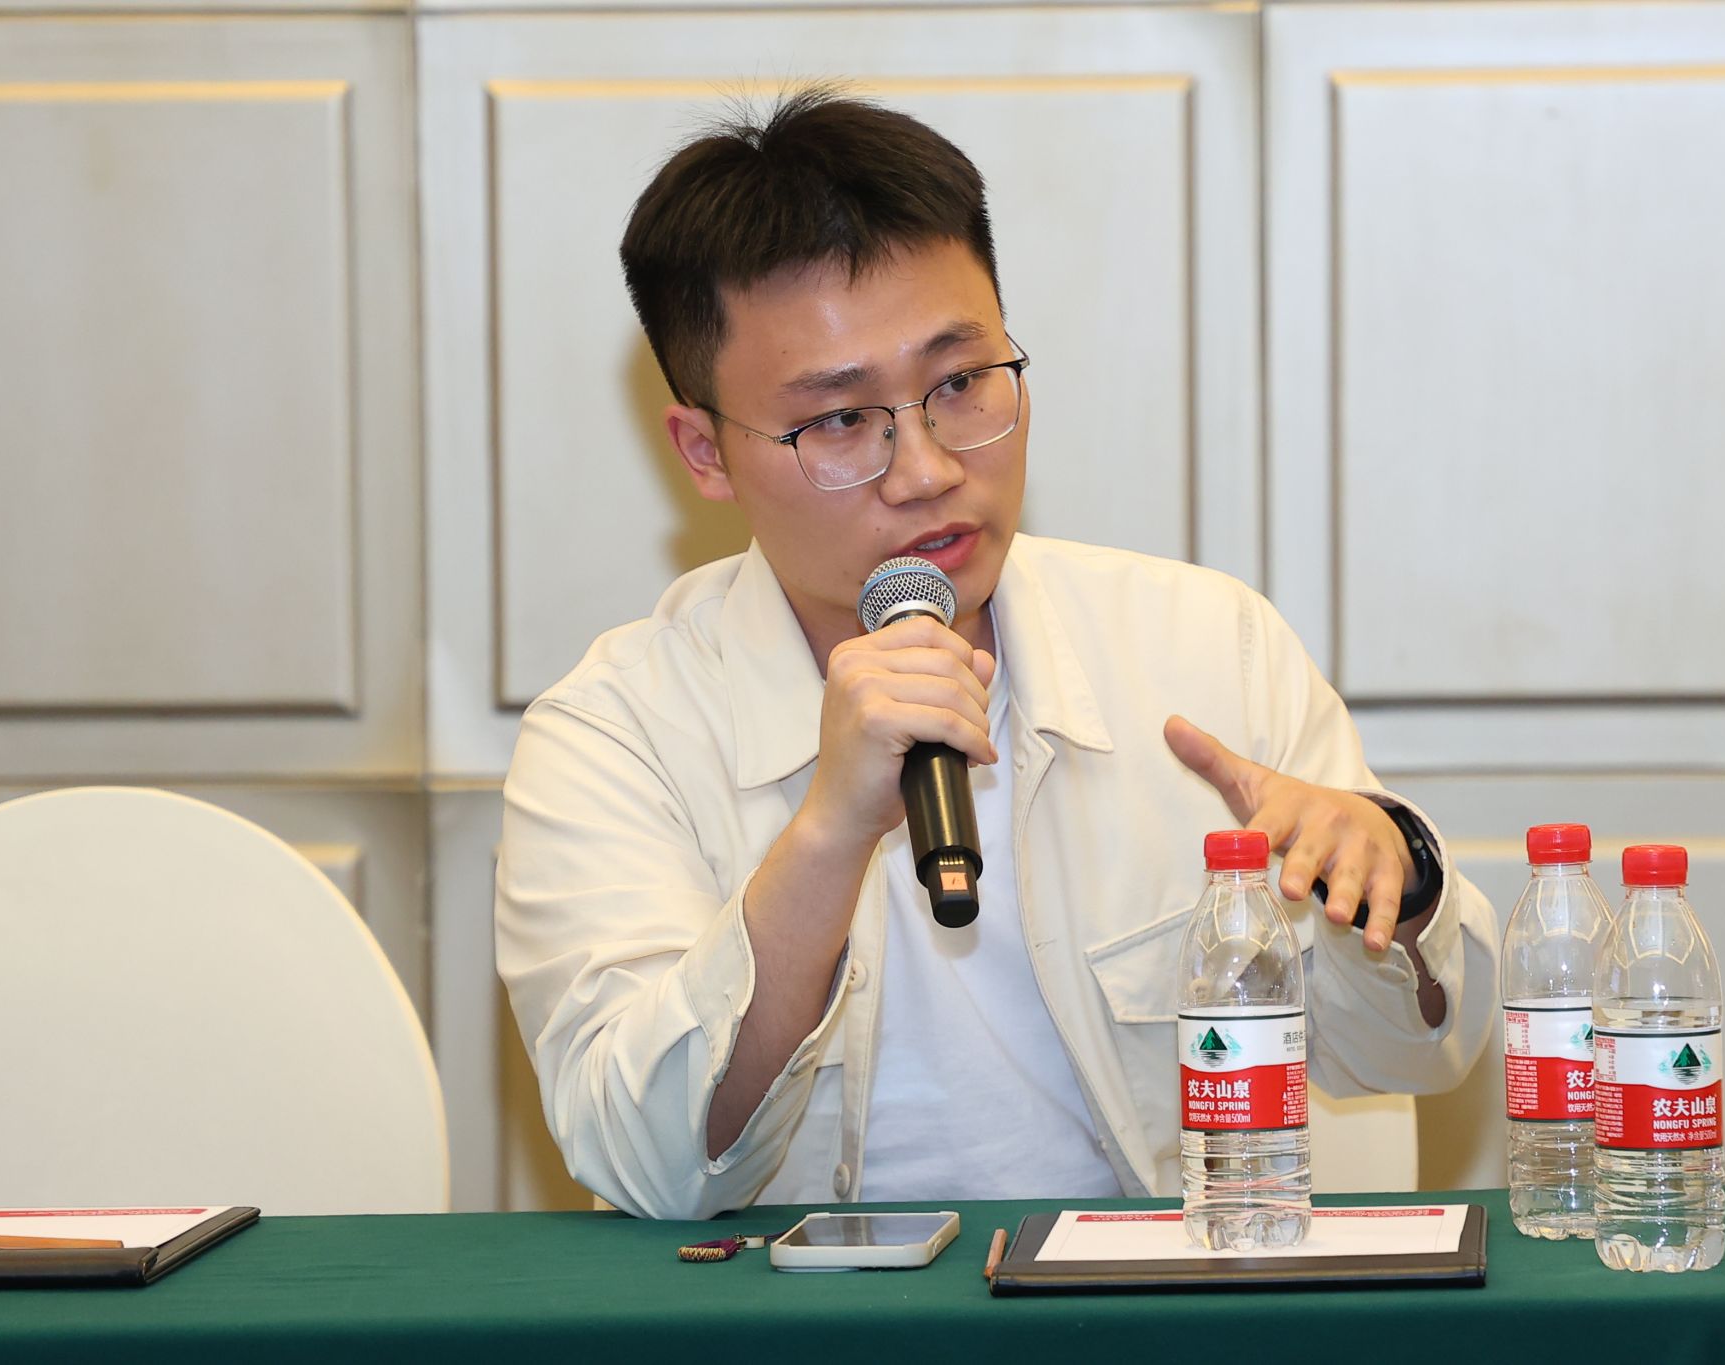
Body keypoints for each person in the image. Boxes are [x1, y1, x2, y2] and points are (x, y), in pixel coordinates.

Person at [495, 87, 1497, 1219]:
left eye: (961, 384)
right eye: (840, 421)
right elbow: (642, 1164)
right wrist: (826, 836)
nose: (926, 470)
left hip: (1161, 1300)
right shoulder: (614, 736)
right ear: (705, 452)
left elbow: (1416, 1055)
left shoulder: (1205, 649)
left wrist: (1395, 876)